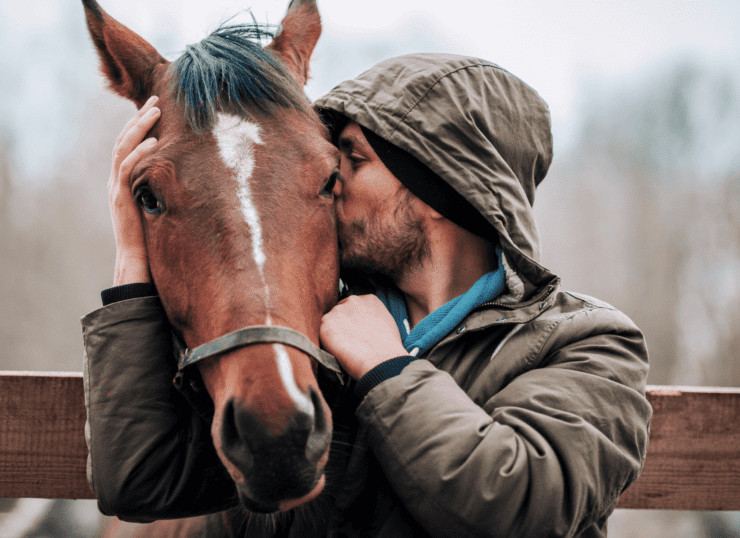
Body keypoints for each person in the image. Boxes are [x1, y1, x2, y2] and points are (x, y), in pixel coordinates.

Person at [82, 52, 652, 537]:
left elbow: (522, 504)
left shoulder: (590, 346)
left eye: (354, 159)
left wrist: (386, 368)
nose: (333, 179)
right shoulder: (307, 343)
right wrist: (133, 260)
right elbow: (140, 479)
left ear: (441, 190)